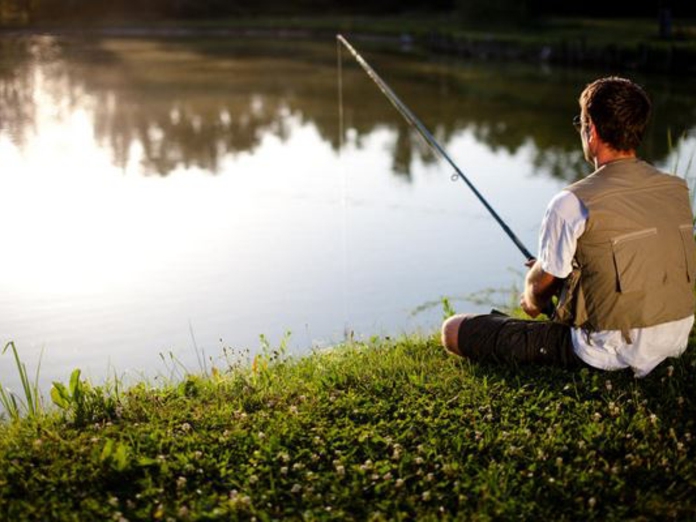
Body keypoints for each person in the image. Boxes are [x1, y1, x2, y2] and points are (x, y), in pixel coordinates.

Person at [441, 76, 696, 377]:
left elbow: (540, 287)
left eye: (581, 122)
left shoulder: (572, 201)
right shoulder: (675, 189)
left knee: (454, 330)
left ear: (593, 131)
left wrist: (531, 297)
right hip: (674, 339)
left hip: (609, 353)